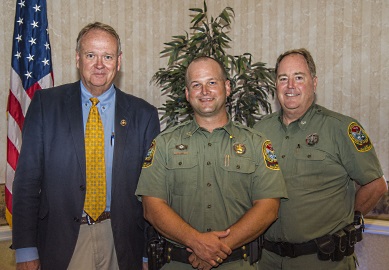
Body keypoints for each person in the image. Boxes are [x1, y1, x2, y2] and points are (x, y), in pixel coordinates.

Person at [11, 22, 160, 270]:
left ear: (118, 61)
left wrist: (146, 253)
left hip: (122, 243)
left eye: (108, 56)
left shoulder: (143, 115)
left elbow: (151, 191)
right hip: (62, 242)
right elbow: (27, 180)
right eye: (91, 55)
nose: (99, 64)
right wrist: (26, 250)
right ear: (78, 58)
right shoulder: (45, 105)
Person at [135, 56, 287, 270]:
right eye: (196, 85)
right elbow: (152, 207)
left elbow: (269, 207)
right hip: (178, 264)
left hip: (237, 264)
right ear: (187, 94)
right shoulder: (164, 144)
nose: (204, 91)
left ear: (227, 87)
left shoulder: (256, 144)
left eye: (212, 82)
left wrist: (217, 247)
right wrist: (195, 242)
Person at [254, 48, 388, 270]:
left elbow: (376, 185)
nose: (290, 86)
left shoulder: (341, 129)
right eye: (283, 78)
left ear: (314, 83)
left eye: (299, 77)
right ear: (275, 85)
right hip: (268, 260)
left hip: (322, 260)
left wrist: (346, 220)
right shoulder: (259, 131)